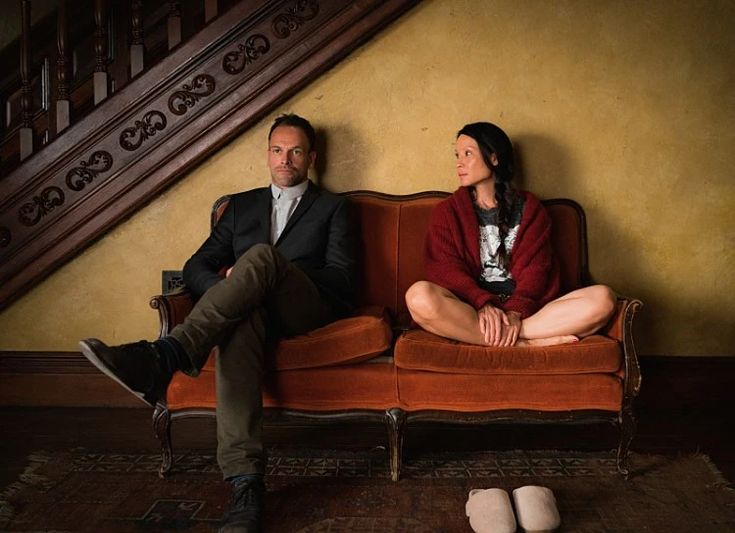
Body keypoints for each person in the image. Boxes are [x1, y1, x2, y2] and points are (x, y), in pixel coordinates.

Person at [79, 113, 358, 533]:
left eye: (296, 151)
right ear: (267, 155)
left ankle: (166, 354)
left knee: (261, 259)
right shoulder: (240, 206)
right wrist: (232, 286)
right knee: (240, 321)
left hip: (306, 305)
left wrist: (269, 276)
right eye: (278, 150)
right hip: (248, 311)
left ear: (312, 157)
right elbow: (196, 266)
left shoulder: (335, 207)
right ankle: (245, 484)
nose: (286, 159)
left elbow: (341, 279)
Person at [405, 121, 615, 347]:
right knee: (418, 296)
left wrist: (515, 312)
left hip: (529, 311)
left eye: (468, 154)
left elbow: (538, 268)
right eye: (457, 154)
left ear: (494, 158)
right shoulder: (447, 212)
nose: (459, 163)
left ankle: (516, 334)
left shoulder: (530, 208)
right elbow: (444, 268)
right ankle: (525, 344)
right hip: (472, 311)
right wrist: (483, 304)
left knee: (604, 298)